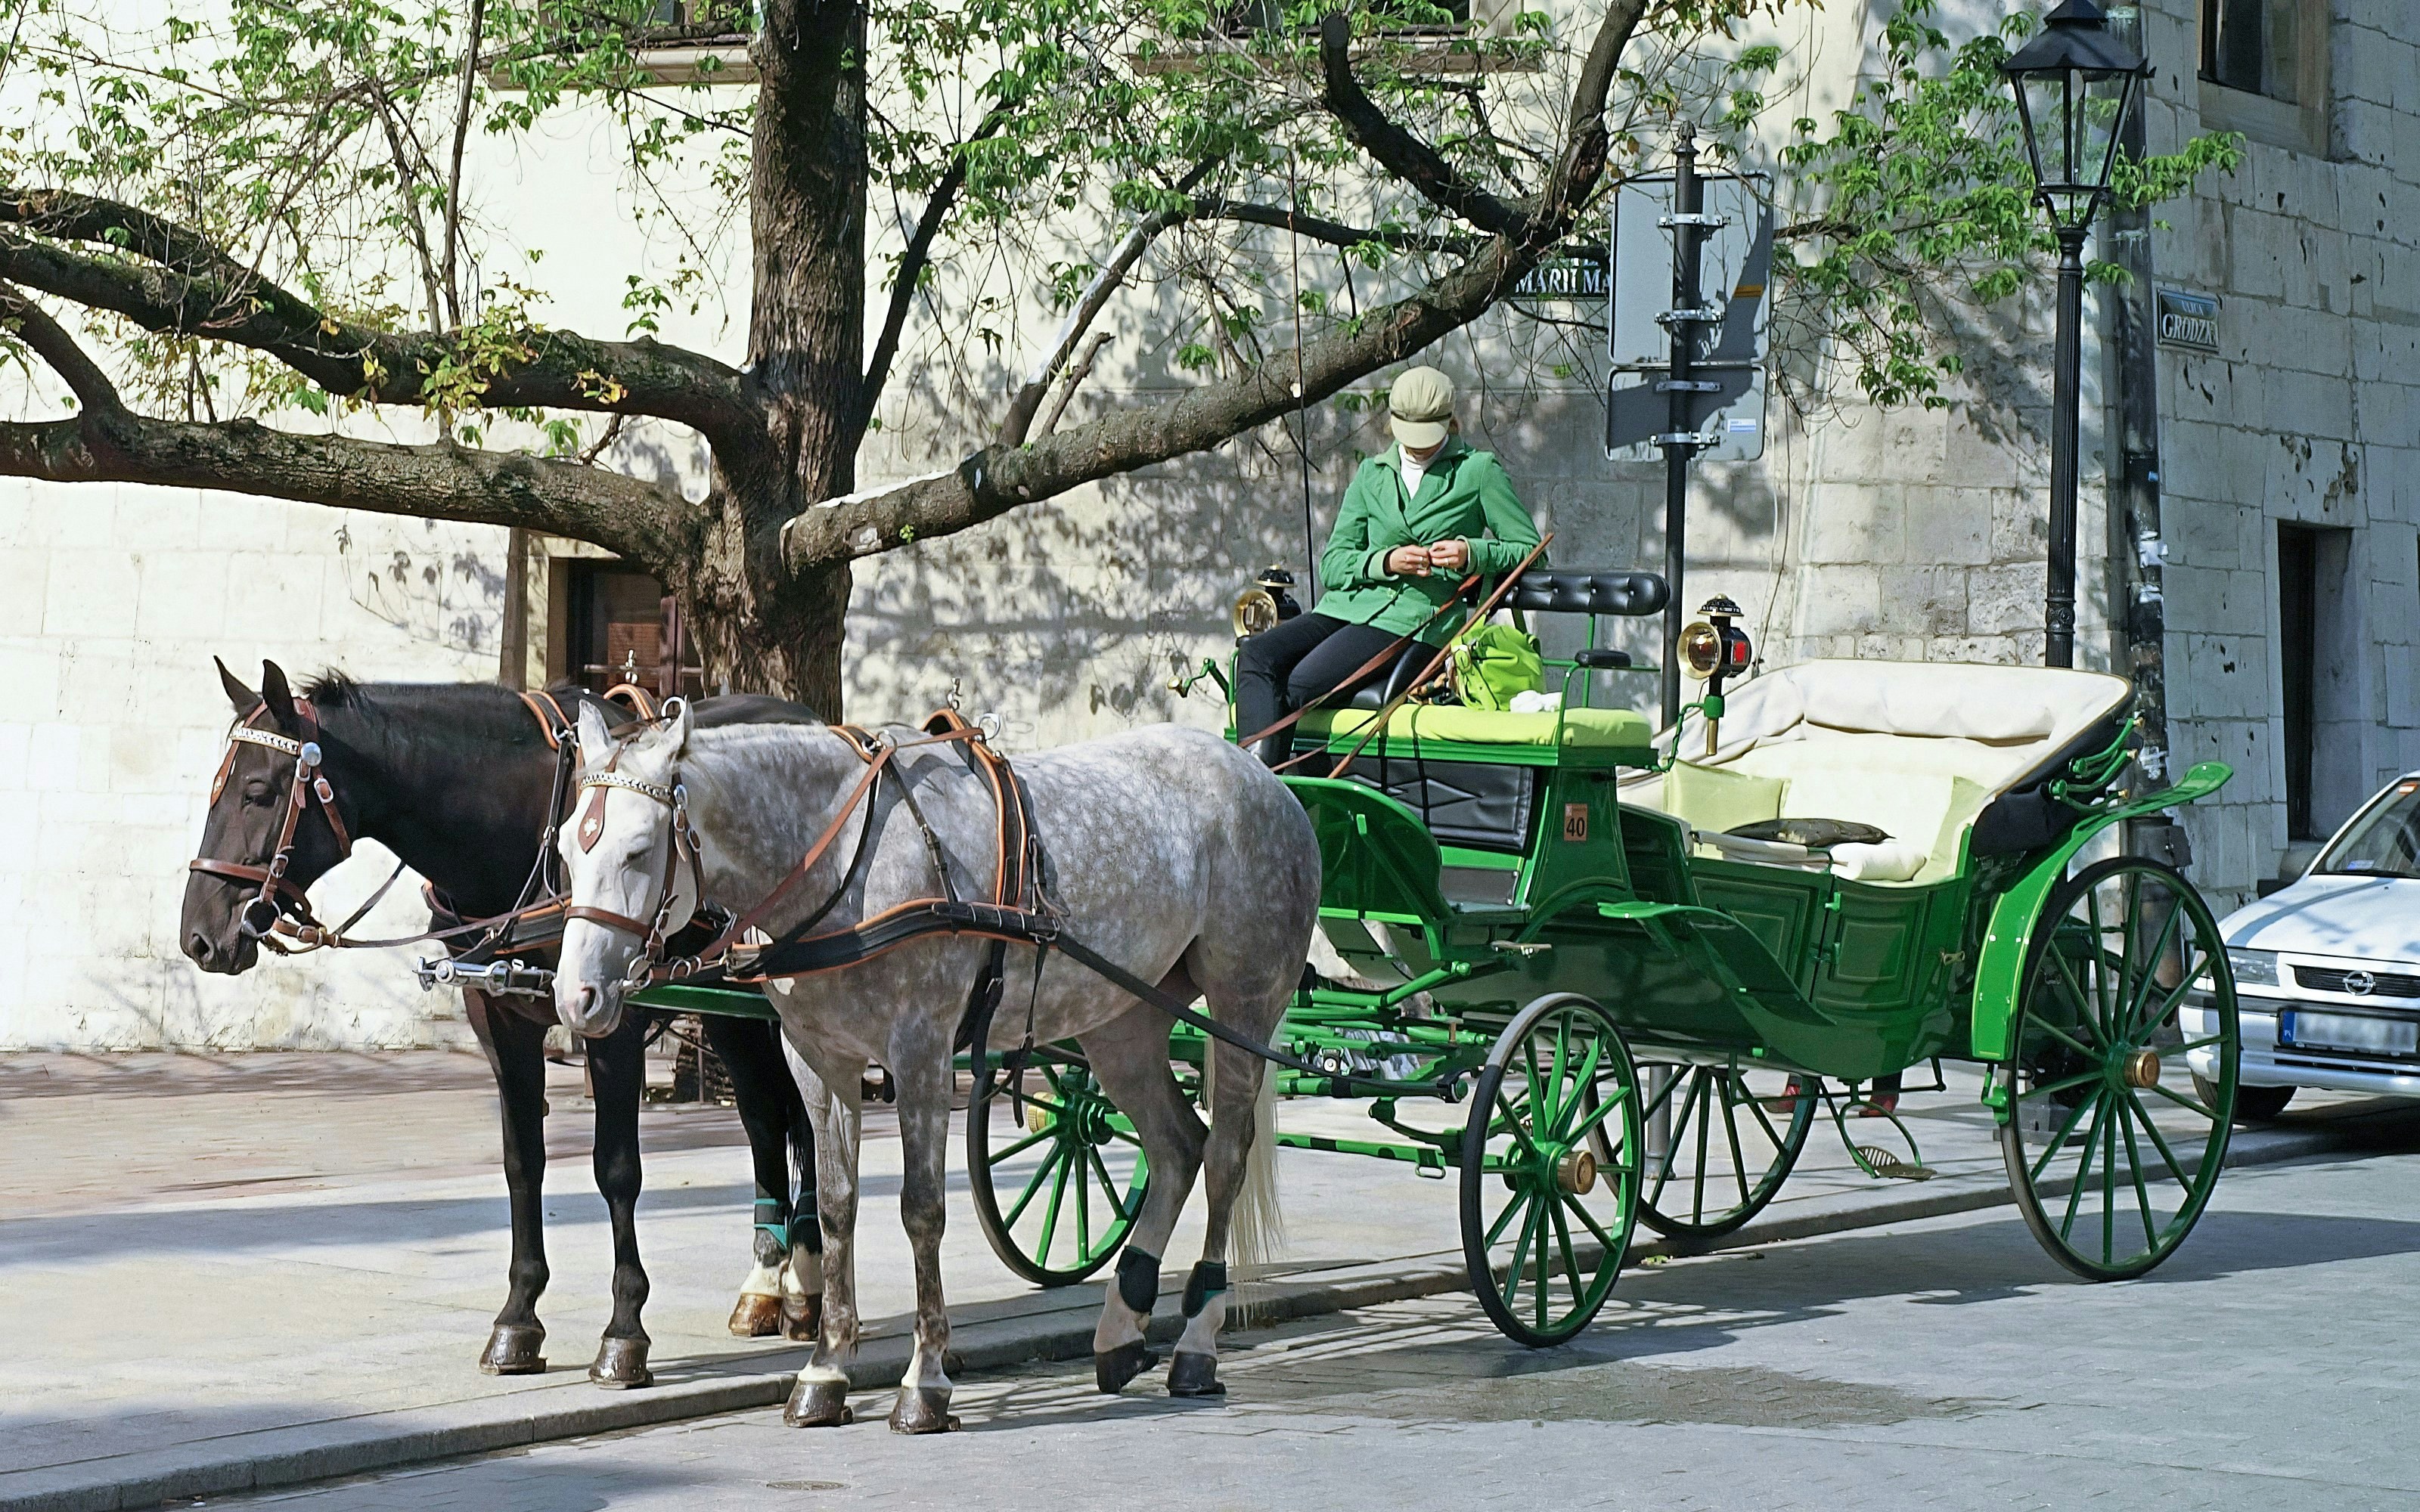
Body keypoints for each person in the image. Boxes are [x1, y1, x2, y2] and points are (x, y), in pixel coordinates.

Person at [1233, 365, 1542, 769]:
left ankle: (1275, 794)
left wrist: (1473, 553)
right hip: (1344, 608)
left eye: (1428, 438)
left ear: (1451, 422)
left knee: (1300, 684)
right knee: (1256, 654)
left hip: (1414, 620)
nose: (1417, 448)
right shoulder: (1371, 474)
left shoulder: (1478, 471)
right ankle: (1250, 786)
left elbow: (1530, 549)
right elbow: (1333, 565)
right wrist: (1385, 561)